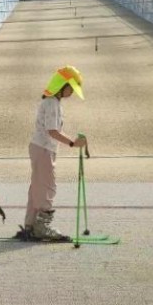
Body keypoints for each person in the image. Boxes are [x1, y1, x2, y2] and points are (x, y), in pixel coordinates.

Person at [20, 65, 89, 241]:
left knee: (37, 187)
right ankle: (42, 227)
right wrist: (73, 143)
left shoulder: (51, 101)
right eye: (71, 89)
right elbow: (52, 131)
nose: (72, 93)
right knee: (47, 186)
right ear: (62, 86)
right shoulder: (52, 103)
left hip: (39, 147)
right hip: (44, 149)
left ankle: (30, 225)